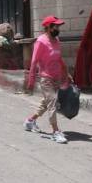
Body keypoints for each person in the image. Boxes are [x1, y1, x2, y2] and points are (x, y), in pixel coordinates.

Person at [23, 15, 73, 144]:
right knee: (53, 103)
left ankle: (30, 121)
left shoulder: (56, 40)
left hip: (56, 77)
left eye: (58, 26)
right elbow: (34, 62)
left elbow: (59, 58)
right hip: (46, 78)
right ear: (48, 27)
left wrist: (66, 73)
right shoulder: (41, 41)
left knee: (46, 103)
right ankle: (56, 132)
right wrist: (31, 80)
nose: (58, 28)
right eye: (55, 26)